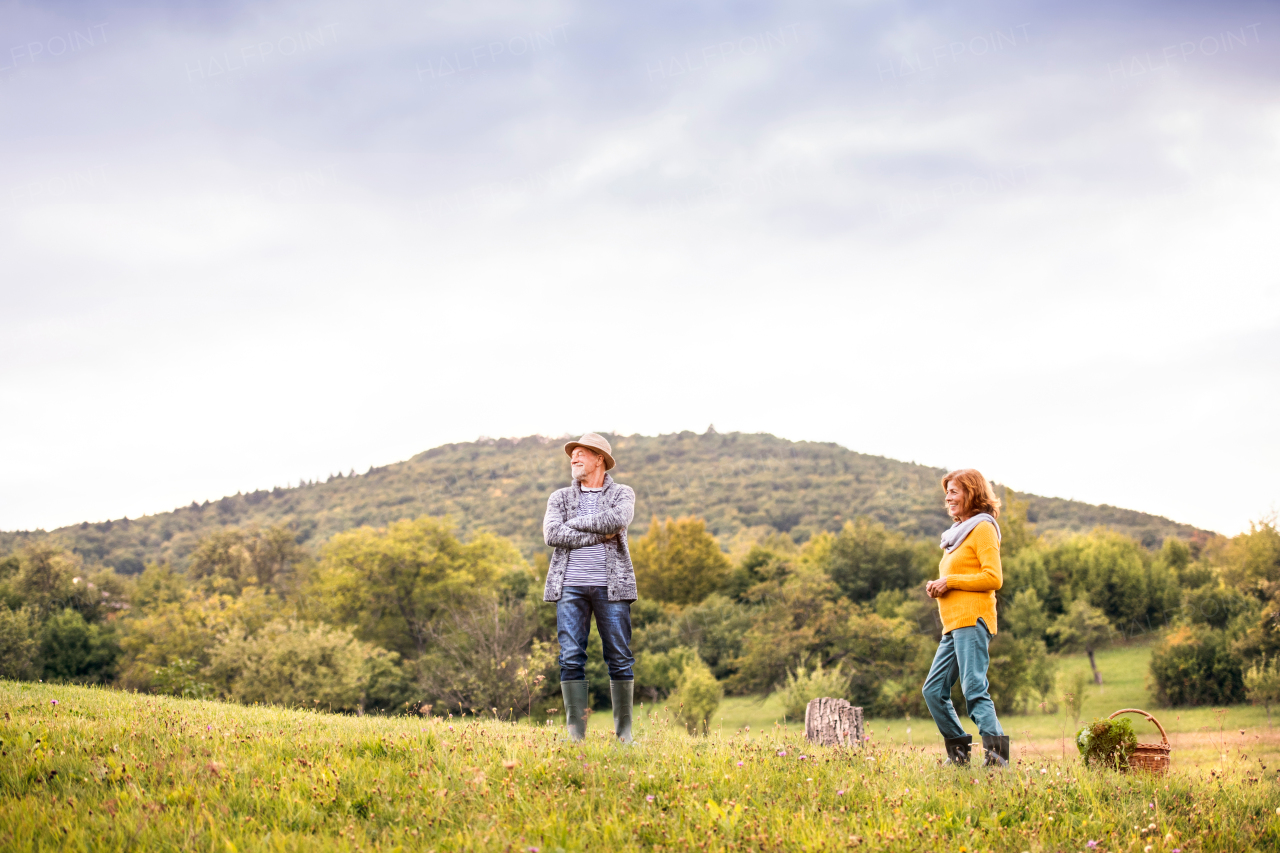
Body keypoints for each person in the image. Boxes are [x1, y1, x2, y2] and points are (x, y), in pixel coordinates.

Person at [542, 432, 637, 743]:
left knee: (619, 657)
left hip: (612, 587)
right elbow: (553, 535)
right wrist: (601, 532)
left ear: (600, 459)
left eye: (582, 453)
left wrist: (576, 525)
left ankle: (624, 736)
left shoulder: (623, 493)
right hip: (569, 585)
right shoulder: (560, 498)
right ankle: (575, 737)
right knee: (570, 658)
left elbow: (619, 519)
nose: (575, 457)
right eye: (573, 453)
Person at [921, 468, 1010, 767]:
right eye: (946, 492)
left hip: (973, 620)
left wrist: (951, 581)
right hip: (954, 624)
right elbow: (959, 575)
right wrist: (939, 585)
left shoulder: (984, 528)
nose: (948, 497)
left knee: (974, 688)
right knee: (933, 690)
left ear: (972, 492)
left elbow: (993, 577)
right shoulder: (957, 536)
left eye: (954, 491)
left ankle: (998, 760)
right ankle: (959, 755)